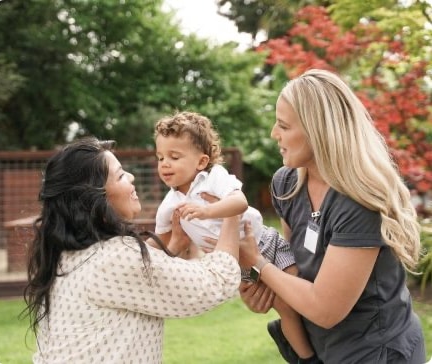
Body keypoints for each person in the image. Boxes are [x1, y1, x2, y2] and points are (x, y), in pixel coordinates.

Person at [238, 68, 426, 363]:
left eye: (284, 126)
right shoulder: (286, 184)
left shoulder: (359, 201)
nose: (274, 134)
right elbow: (294, 269)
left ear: (318, 131)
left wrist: (258, 264)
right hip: (321, 350)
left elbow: (326, 309)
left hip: (375, 353)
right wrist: (265, 290)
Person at [23, 137, 242, 364]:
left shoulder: (64, 254)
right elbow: (215, 282)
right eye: (120, 176)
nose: (131, 177)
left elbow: (130, 278)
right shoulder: (115, 258)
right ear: (94, 200)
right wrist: (230, 210)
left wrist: (173, 246)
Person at [153, 111, 316, 361]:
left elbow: (239, 202)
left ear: (201, 161)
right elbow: (159, 246)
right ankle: (308, 359)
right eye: (160, 157)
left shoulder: (213, 177)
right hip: (240, 266)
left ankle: (321, 347)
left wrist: (208, 211)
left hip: (264, 243)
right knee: (284, 307)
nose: (164, 164)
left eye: (174, 157)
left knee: (300, 292)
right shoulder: (170, 205)